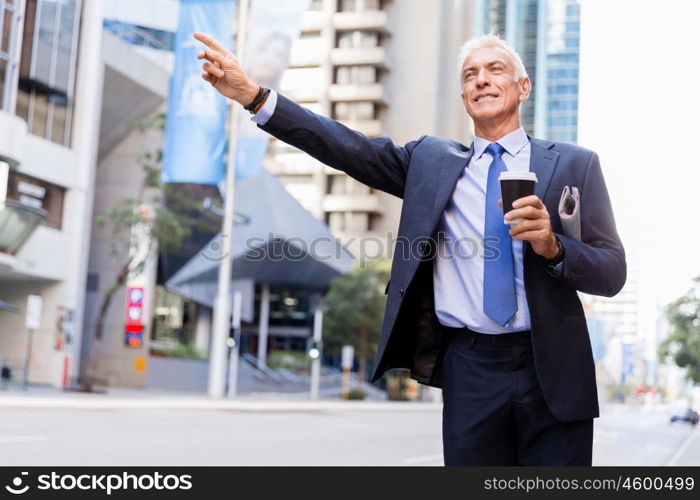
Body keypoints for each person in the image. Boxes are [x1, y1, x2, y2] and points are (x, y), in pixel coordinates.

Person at [193, 31, 626, 466]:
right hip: (470, 366)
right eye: (470, 74)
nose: (481, 80)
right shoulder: (431, 162)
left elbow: (611, 271)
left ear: (523, 87)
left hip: (552, 364)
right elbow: (346, 147)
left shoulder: (574, 164)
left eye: (496, 70)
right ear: (463, 96)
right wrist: (254, 97)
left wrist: (553, 246)